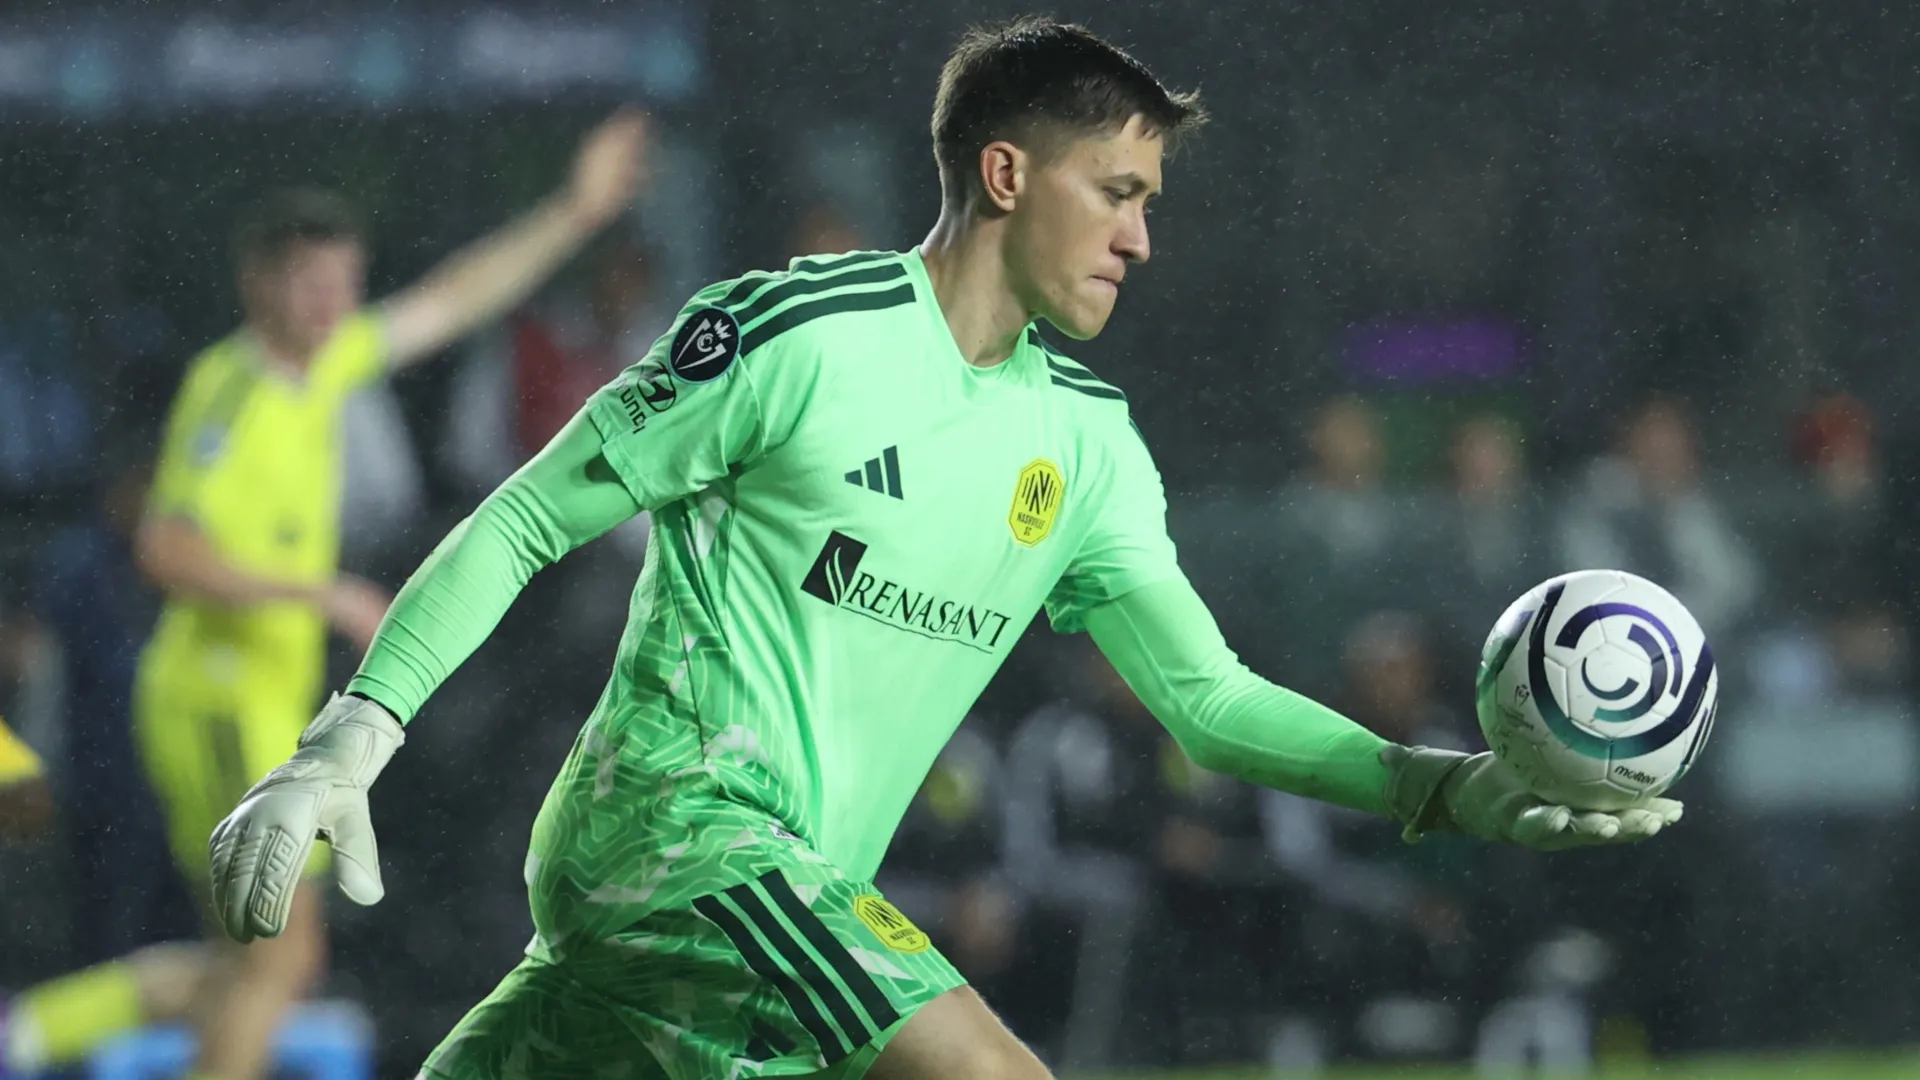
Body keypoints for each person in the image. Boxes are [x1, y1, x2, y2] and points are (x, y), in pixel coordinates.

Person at [209, 19, 1682, 1080]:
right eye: (1118, 193)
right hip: (673, 835)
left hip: (723, 922)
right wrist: (352, 735)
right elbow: (532, 512)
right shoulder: (799, 333)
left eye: (1150, 205)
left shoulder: (1089, 447)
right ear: (1001, 174)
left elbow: (1212, 704)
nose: (1142, 240)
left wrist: (1437, 787)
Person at [2, 111, 649, 1080]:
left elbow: (451, 299)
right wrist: (323, 592)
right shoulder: (236, 395)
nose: (332, 303)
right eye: (311, 285)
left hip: (255, 704)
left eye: (344, 283)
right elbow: (166, 550)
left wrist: (573, 210)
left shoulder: (323, 364)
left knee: (260, 967)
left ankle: (34, 1031)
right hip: (220, 698)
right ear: (256, 284)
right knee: (275, 962)